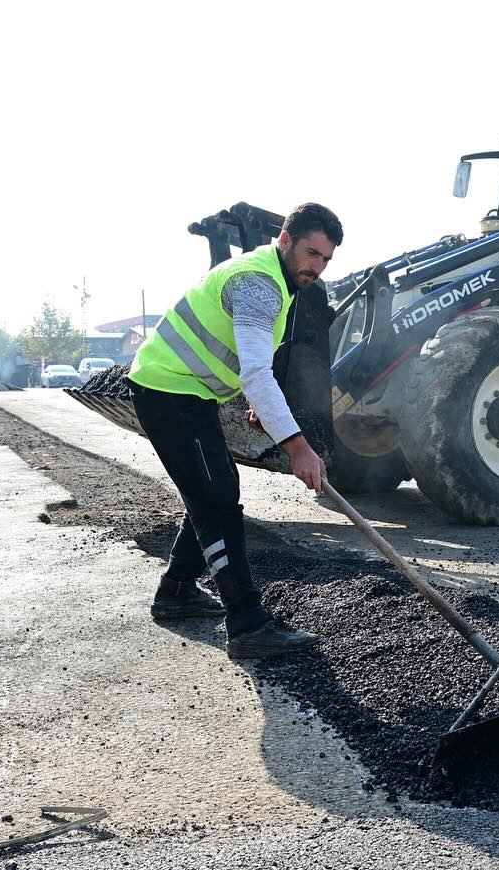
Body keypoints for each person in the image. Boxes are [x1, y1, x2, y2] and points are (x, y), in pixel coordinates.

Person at [127, 202, 341, 660]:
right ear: (284, 240)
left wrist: (256, 406)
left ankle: (177, 591)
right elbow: (258, 376)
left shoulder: (277, 279)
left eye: (325, 259)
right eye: (310, 253)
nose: (316, 267)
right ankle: (246, 622)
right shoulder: (259, 284)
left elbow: (247, 360)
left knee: (212, 492)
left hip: (186, 393)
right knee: (218, 496)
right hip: (169, 392)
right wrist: (298, 448)